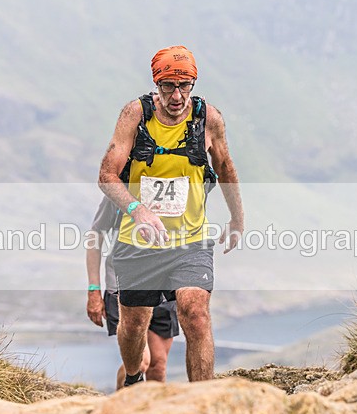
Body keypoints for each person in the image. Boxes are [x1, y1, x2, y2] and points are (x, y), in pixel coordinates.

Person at [98, 45, 244, 385]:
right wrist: (138, 210)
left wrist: (237, 218)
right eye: (168, 87)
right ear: (156, 84)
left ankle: (201, 403)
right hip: (138, 243)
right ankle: (134, 376)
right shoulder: (134, 115)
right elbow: (106, 175)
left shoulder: (209, 118)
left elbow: (224, 166)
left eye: (184, 86)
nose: (176, 96)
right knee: (134, 327)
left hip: (190, 240)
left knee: (196, 315)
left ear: (193, 84)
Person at [85, 196, 180, 389]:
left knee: (158, 366)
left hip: (163, 285)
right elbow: (96, 236)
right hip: (122, 287)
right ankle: (121, 405)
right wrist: (94, 290)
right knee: (140, 363)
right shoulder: (119, 191)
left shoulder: (174, 187)